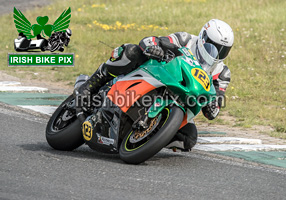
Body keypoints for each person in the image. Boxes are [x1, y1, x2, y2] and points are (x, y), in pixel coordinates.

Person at [75, 19, 234, 151]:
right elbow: (151, 40)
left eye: (223, 51)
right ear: (203, 38)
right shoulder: (186, 40)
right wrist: (155, 47)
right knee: (131, 52)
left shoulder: (222, 72)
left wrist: (214, 105)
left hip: (182, 100)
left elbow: (217, 99)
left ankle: (148, 138)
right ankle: (91, 85)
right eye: (213, 46)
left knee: (189, 137)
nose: (217, 53)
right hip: (157, 77)